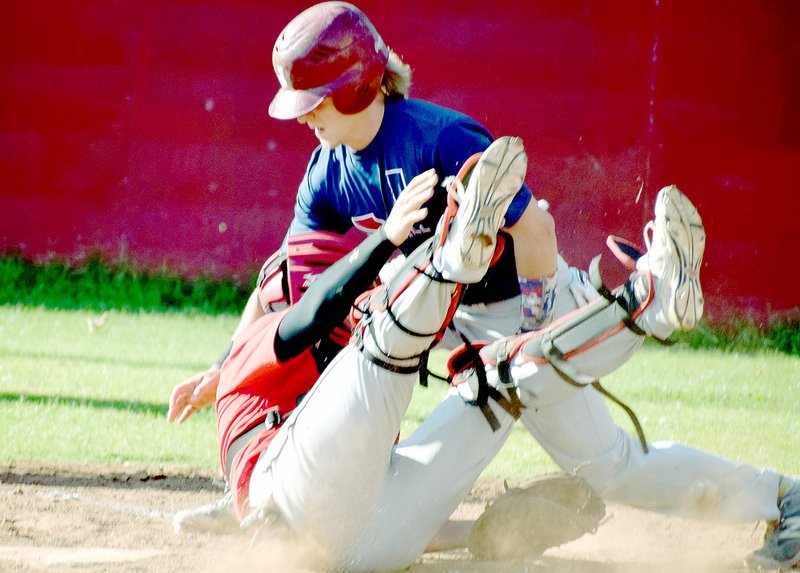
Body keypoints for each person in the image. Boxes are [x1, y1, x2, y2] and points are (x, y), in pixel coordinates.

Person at [169, 3, 799, 569]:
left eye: (314, 101)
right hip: (449, 323)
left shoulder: (438, 137)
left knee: (585, 440)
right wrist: (226, 365)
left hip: (511, 302)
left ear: (358, 87)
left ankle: (651, 320)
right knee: (593, 452)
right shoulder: (326, 171)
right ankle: (650, 311)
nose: (303, 117)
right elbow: (294, 282)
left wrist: (535, 317)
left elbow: (538, 230)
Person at [213, 137, 525, 570]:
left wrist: (488, 532)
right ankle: (450, 254)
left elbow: (390, 510)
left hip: (358, 546)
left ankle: (632, 311)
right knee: (384, 341)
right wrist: (387, 237)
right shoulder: (254, 349)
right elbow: (319, 306)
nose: (360, 294)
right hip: (277, 500)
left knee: (501, 380)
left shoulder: (359, 394)